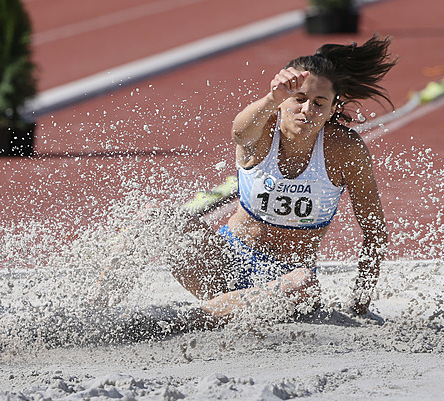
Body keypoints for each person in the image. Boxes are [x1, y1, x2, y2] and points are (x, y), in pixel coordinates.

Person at [165, 34, 396, 326]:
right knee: (157, 220)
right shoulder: (261, 131)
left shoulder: (345, 150)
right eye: (299, 99)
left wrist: (360, 304)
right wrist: (271, 98)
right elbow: (238, 133)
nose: (306, 110)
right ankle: (95, 313)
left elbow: (375, 231)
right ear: (283, 99)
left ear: (331, 109)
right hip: (223, 265)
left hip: (285, 285)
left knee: (304, 282)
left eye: (318, 103)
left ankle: (183, 320)